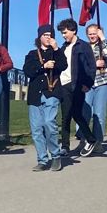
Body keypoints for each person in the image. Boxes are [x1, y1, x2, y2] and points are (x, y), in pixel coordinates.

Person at [23, 25, 67, 171]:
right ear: (40, 37)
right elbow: (28, 71)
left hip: (51, 92)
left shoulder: (56, 52)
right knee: (36, 129)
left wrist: (56, 49)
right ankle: (42, 159)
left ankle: (55, 155)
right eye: (45, 35)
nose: (48, 37)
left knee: (49, 123)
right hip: (35, 95)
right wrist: (43, 66)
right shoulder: (32, 54)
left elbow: (63, 65)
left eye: (50, 35)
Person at [56, 18, 97, 156]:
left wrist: (88, 83)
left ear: (73, 31)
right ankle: (65, 146)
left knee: (76, 113)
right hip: (63, 84)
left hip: (78, 84)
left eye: (65, 32)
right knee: (65, 116)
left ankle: (91, 139)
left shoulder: (83, 46)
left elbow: (91, 66)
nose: (63, 35)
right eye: (62, 33)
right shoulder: (63, 48)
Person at [85, 23, 107, 152]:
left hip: (102, 81)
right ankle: (85, 139)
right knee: (84, 113)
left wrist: (102, 38)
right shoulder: (84, 47)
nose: (92, 36)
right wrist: (94, 64)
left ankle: (98, 141)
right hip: (87, 83)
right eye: (90, 34)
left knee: (99, 114)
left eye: (94, 33)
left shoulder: (103, 45)